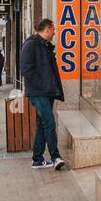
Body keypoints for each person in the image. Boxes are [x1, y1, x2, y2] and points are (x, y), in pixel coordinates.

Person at [19, 18, 66, 170]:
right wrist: (43, 85)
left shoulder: (44, 45)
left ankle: (37, 159)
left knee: (42, 124)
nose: (54, 33)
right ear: (47, 29)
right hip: (38, 92)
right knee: (49, 122)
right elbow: (26, 70)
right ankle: (55, 156)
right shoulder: (31, 44)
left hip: (47, 92)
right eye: (53, 30)